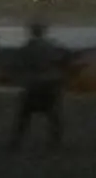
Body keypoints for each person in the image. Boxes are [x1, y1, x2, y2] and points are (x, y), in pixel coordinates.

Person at [9, 18, 71, 149]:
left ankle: (16, 141)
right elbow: (62, 59)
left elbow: (19, 64)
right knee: (53, 114)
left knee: (24, 115)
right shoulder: (51, 46)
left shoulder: (27, 47)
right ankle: (55, 142)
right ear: (43, 32)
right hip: (49, 83)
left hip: (34, 84)